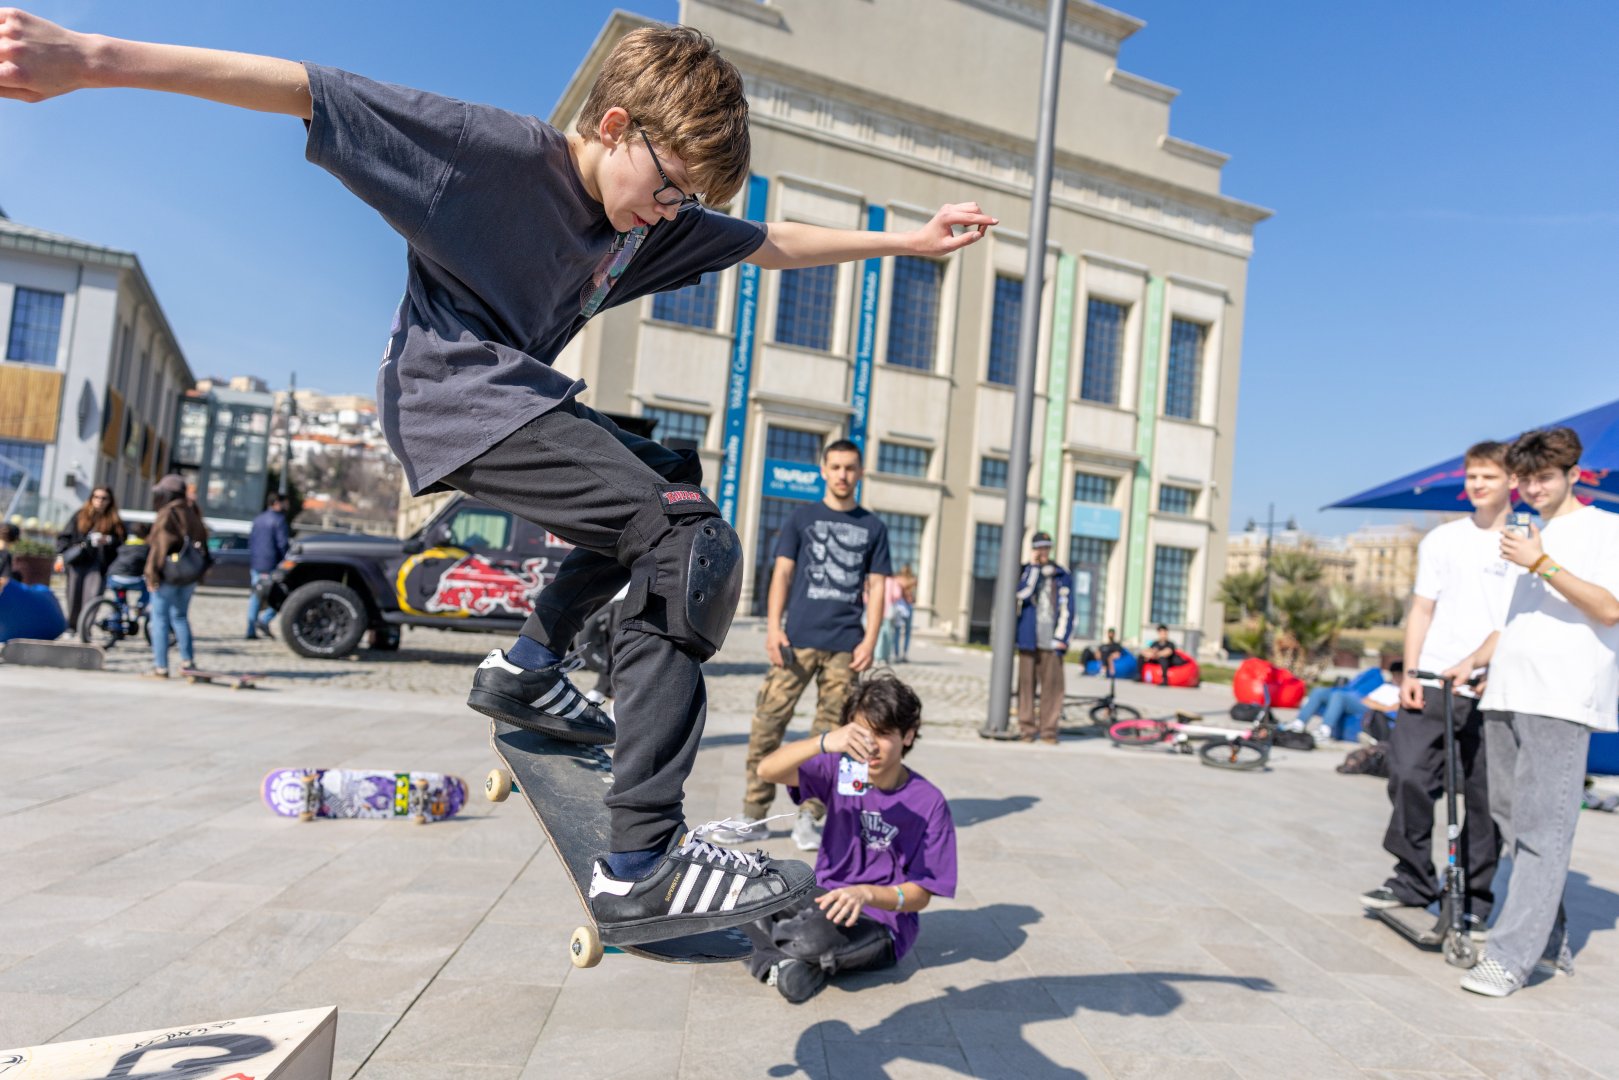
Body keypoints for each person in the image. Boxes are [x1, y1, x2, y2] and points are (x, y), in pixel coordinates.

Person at [0, 9, 995, 937]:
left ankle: (527, 667)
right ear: (616, 126)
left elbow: (769, 241)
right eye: (667, 190)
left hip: (515, 400)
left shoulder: (649, 216)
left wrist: (907, 240)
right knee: (689, 540)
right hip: (452, 396)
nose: (668, 217)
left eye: (686, 203)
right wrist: (90, 59)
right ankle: (641, 859)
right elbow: (308, 88)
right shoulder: (491, 156)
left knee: (670, 481)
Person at [1442, 428, 1619, 998]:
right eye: (1524, 480)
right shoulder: (1524, 533)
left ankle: (1510, 957)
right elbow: (1515, 622)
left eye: (1544, 477)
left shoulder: (1606, 529)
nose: (1533, 489)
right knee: (1512, 823)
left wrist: (1540, 561)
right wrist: (1472, 660)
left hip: (1561, 696)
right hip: (1506, 691)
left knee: (1544, 828)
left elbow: (1609, 609)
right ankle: (1547, 940)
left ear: (1574, 474)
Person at [1359, 441, 1512, 925]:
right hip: (1432, 679)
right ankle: (1413, 878)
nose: (1478, 484)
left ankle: (1471, 898)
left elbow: (1521, 621)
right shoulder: (1443, 540)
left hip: (1493, 686)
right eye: (1472, 476)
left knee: (1485, 798)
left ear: (1513, 481)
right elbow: (1422, 609)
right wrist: (1410, 670)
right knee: (1407, 774)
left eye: (1489, 476)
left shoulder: (1528, 542)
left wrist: (1498, 668)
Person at [717, 440, 892, 850]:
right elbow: (782, 574)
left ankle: (810, 816)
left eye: (850, 468)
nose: (843, 475)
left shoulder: (874, 527)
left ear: (860, 472)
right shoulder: (801, 518)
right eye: (836, 467)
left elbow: (878, 588)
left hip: (846, 646)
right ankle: (754, 813)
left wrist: (870, 638)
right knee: (768, 721)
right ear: (824, 470)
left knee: (832, 735)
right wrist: (773, 629)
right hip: (796, 641)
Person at [746, 673, 957, 1003]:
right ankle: (788, 963)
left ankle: (771, 953)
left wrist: (866, 893)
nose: (870, 745)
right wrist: (824, 742)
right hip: (822, 894)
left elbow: (921, 894)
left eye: (883, 734)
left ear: (908, 735)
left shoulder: (929, 801)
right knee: (745, 887)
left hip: (880, 920)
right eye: (862, 733)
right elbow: (766, 770)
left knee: (810, 936)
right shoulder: (842, 768)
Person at [144, 474, 208, 677]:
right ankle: (188, 662)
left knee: (159, 619)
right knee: (180, 617)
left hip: (168, 574)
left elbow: (159, 547)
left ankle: (160, 666)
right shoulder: (192, 512)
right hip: (188, 574)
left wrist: (151, 574)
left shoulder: (167, 513)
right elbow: (203, 543)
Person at [1014, 532, 1073, 744]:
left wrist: (1062, 637)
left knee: (1053, 688)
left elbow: (1069, 607)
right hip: (1028, 638)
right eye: (1039, 547)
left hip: (1052, 640)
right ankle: (1027, 729)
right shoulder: (1025, 571)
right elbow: (1021, 593)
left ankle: (1049, 730)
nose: (1043, 552)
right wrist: (1034, 568)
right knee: (1026, 686)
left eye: (1046, 547)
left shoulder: (1061, 575)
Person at [55, 485, 125, 628]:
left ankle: (85, 627)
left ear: (110, 501)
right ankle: (72, 626)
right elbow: (64, 536)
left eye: (104, 498)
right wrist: (61, 554)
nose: (100, 501)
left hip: (98, 563)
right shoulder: (81, 515)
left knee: (93, 595)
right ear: (91, 498)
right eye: (96, 497)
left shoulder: (114, 519)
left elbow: (121, 540)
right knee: (73, 594)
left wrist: (108, 540)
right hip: (78, 561)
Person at [1296, 660, 1402, 744]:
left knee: (1339, 695)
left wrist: (1378, 706)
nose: (1396, 677)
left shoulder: (1404, 691)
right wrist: (1379, 705)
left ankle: (1324, 730)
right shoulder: (1386, 686)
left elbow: (1394, 707)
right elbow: (1366, 700)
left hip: (1372, 712)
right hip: (1367, 706)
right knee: (1319, 691)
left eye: (1399, 674)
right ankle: (1299, 723)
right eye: (1394, 674)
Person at [247, 492, 291, 639]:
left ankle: (250, 630)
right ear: (277, 503)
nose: (287, 506)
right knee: (281, 595)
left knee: (256, 595)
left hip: (256, 563)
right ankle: (264, 620)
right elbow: (282, 544)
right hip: (272, 564)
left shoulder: (258, 518)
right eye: (285, 502)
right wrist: (285, 560)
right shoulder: (279, 520)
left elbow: (251, 541)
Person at [887, 565, 917, 663]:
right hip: (900, 607)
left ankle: (904, 653)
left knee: (906, 631)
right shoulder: (901, 579)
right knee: (897, 631)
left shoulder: (903, 580)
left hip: (908, 606)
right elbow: (905, 584)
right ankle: (897, 653)